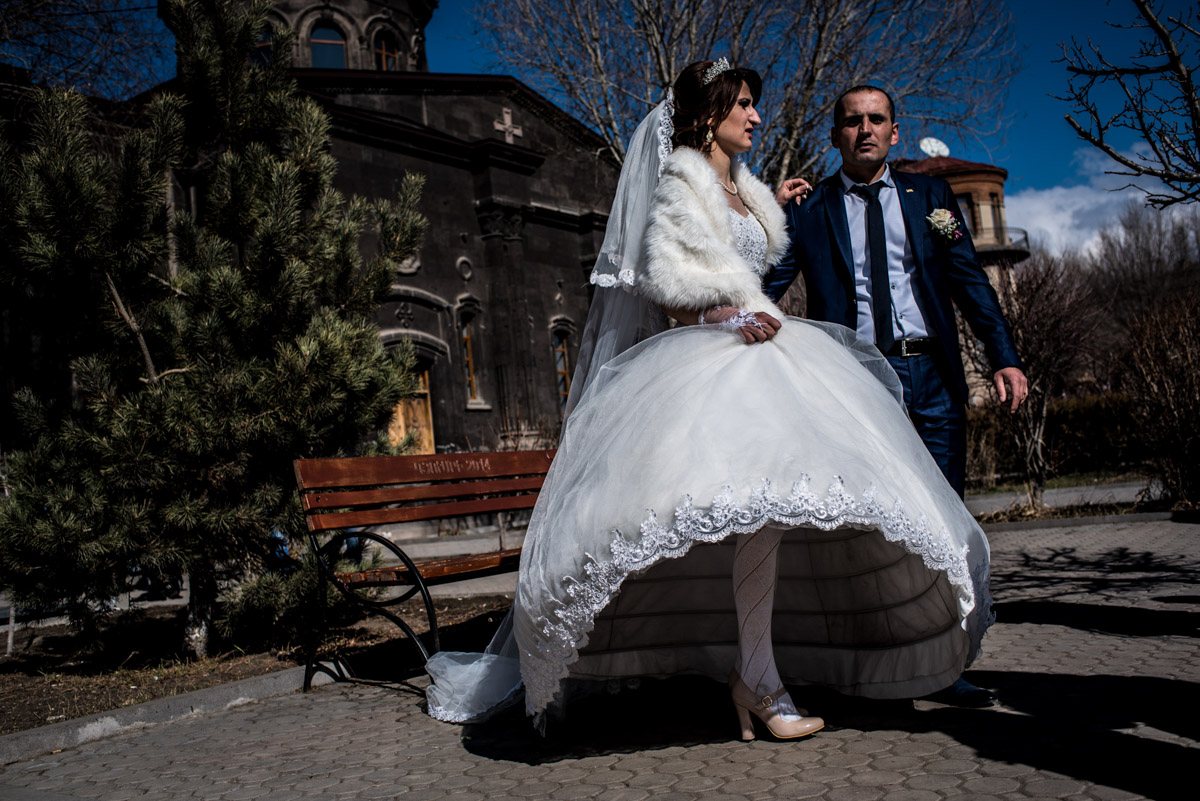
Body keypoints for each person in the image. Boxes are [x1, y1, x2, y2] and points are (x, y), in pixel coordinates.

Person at [424, 61, 993, 739]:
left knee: (772, 513)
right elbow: (667, 286)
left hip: (770, 355)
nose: (756, 115)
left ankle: (762, 671)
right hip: (718, 362)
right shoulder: (681, 183)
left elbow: (746, 261)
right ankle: (753, 676)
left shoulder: (741, 186)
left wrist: (766, 210)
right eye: (743, 104)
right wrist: (727, 316)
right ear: (709, 114)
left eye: (754, 104)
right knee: (738, 513)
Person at [763, 85, 1027, 707]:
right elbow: (762, 286)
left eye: (876, 119)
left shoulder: (931, 198)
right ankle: (883, 663)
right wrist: (763, 220)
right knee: (876, 523)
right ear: (836, 135)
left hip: (931, 373)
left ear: (894, 131)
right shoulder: (810, 208)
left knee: (945, 518)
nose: (865, 130)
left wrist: (1005, 357)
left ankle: (947, 662)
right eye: (852, 121)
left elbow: (969, 282)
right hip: (857, 382)